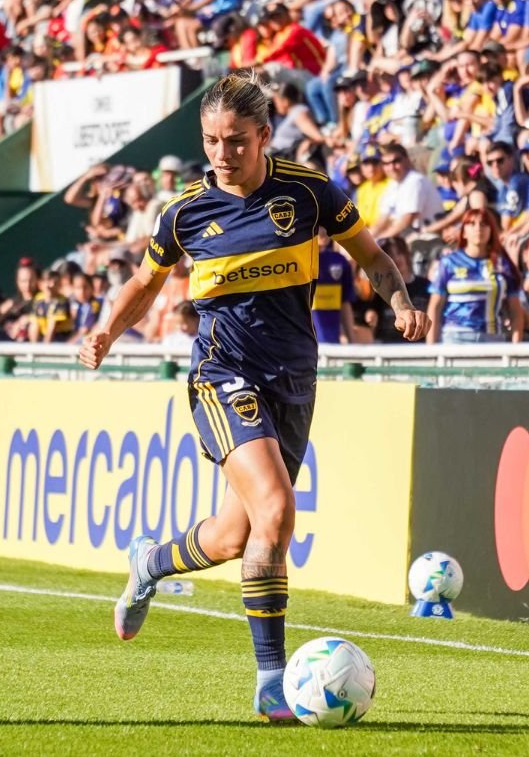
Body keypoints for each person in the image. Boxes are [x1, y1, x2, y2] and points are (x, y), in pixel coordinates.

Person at [77, 72, 429, 722]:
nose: (221, 154)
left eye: (235, 141)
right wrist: (104, 329)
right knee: (275, 509)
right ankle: (272, 679)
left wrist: (401, 299)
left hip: (293, 377)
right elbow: (145, 285)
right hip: (222, 372)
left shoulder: (309, 191)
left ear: (265, 136)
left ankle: (151, 561)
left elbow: (371, 257)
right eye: (211, 140)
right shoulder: (186, 211)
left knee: (237, 535)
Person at [426, 208, 526, 343]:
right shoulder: (449, 262)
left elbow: (515, 310)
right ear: (464, 232)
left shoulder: (502, 264)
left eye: (484, 224)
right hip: (456, 337)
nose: (478, 228)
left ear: (491, 230)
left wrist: (516, 346)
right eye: (472, 224)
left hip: (492, 338)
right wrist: (431, 347)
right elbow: (435, 306)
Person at [311, 227, 357, 344]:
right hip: (304, 346)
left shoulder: (339, 262)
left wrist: (351, 340)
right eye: (318, 226)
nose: (323, 231)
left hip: (332, 345)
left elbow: (345, 303)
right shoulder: (296, 264)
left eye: (326, 225)